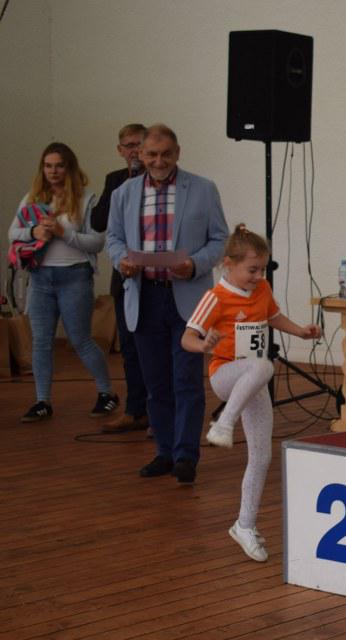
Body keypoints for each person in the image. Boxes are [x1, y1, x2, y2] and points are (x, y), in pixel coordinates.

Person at [181, 225, 321, 561]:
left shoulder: (262, 289)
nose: (259, 277)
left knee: (262, 455)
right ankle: (223, 423)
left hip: (253, 381)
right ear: (228, 264)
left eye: (262, 270)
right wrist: (204, 345)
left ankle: (244, 525)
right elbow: (187, 338)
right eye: (252, 270)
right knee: (263, 365)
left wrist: (301, 332)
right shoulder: (215, 297)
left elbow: (274, 317)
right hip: (225, 376)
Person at [105, 123, 228, 484]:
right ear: (140, 154)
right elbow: (113, 238)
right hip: (143, 296)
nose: (159, 162)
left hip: (188, 298)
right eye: (152, 155)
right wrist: (121, 260)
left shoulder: (203, 188)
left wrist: (194, 264)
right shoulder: (124, 193)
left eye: (166, 154)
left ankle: (186, 455)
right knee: (156, 381)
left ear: (178, 153)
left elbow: (219, 239)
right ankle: (164, 451)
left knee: (186, 380)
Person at [9, 142, 119, 423]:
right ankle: (42, 401)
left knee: (80, 339)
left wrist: (62, 232)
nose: (53, 171)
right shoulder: (32, 198)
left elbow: (97, 242)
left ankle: (106, 392)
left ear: (69, 167)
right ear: (42, 169)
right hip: (40, 278)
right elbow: (13, 233)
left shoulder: (86, 199)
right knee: (41, 342)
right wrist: (34, 231)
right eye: (48, 166)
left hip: (75, 276)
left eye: (59, 165)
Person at [91, 123, 150, 433]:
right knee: (129, 348)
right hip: (124, 276)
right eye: (129, 145)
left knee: (153, 348)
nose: (134, 151)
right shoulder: (115, 180)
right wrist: (124, 187)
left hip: (156, 274)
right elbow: (98, 222)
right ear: (120, 150)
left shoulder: (159, 178)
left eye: (139, 144)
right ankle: (134, 410)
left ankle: (157, 412)